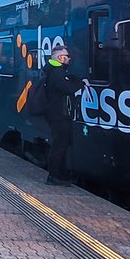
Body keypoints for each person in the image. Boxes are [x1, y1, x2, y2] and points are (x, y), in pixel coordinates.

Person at [43, 46, 85, 186]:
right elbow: (68, 88)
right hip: (59, 114)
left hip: (57, 113)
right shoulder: (57, 73)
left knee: (61, 144)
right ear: (60, 58)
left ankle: (59, 174)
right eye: (66, 56)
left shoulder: (54, 71)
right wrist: (80, 83)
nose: (69, 59)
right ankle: (54, 176)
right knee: (59, 145)